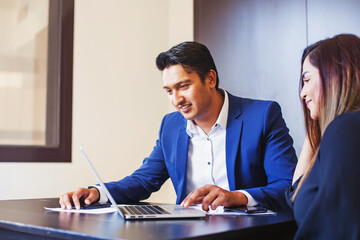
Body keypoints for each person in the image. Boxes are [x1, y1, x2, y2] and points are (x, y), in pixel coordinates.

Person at [60, 42, 297, 212]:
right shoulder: (171, 126)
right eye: (169, 91)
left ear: (211, 79)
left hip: (248, 231)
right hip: (189, 231)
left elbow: (287, 186)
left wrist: (236, 197)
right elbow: (144, 181)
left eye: (183, 86)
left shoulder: (263, 115)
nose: (176, 99)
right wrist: (97, 192)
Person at [286, 34, 360, 239]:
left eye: (307, 79)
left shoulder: (345, 130)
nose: (302, 93)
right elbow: (297, 194)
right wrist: (318, 125)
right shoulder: (342, 130)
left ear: (335, 75)